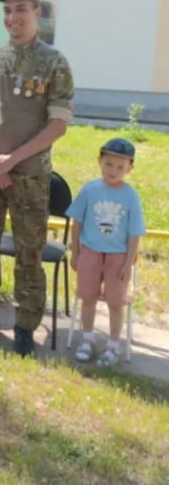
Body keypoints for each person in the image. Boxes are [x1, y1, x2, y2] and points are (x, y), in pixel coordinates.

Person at [0, 0, 74, 356]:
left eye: (21, 9)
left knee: (29, 253)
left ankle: (25, 327)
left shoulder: (53, 63)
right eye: (7, 11)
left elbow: (58, 125)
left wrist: (11, 161)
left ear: (38, 13)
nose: (13, 18)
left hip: (29, 176)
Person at [68, 138, 145, 367]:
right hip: (90, 253)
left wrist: (128, 263)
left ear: (130, 168)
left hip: (118, 257)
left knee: (115, 302)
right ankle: (87, 339)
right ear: (99, 161)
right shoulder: (89, 189)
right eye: (109, 164)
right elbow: (77, 222)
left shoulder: (131, 196)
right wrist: (75, 252)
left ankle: (113, 345)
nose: (113, 171)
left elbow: (134, 234)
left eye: (121, 167)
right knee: (88, 297)